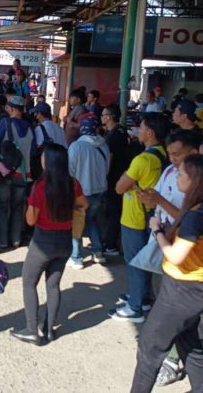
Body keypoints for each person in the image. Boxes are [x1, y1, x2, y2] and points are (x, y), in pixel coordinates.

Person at [130, 154, 203, 393]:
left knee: (149, 348)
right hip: (195, 289)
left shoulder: (194, 217)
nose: (177, 176)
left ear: (194, 181)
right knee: (188, 344)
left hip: (181, 292)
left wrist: (157, 232)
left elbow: (175, 256)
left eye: (181, 174)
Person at [135, 130, 203, 386]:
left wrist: (160, 200)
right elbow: (163, 204)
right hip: (163, 247)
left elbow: (190, 220)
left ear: (194, 153)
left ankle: (170, 360)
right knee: (173, 316)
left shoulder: (202, 185)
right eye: (171, 154)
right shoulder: (169, 172)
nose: (173, 160)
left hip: (183, 260)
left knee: (171, 320)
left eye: (178, 154)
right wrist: (151, 200)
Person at [9, 143, 88, 345]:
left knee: (29, 282)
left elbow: (30, 220)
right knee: (53, 285)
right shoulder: (73, 183)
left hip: (43, 241)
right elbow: (84, 204)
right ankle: (49, 329)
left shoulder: (40, 187)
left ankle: (31, 329)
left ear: (48, 162)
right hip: (65, 240)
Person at [110, 113, 170, 323]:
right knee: (144, 260)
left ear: (150, 133)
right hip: (151, 215)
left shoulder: (142, 159)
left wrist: (127, 176)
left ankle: (135, 306)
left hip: (134, 216)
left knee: (134, 261)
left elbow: (119, 187)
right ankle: (142, 297)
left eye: (141, 127)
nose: (138, 130)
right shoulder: (163, 154)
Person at [0, 95, 35, 249]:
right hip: (25, 174)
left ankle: (3, 240)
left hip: (6, 173)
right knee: (18, 207)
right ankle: (16, 239)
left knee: (3, 207)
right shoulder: (31, 127)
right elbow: (34, 150)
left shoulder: (5, 123)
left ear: (9, 108)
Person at [67, 114, 109, 268]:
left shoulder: (76, 146)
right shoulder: (104, 145)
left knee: (77, 223)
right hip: (99, 191)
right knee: (92, 220)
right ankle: (98, 252)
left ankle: (76, 257)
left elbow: (69, 171)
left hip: (80, 192)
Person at [101, 104, 129, 256]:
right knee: (116, 210)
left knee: (113, 212)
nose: (102, 117)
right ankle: (115, 241)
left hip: (113, 178)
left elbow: (109, 160)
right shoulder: (122, 130)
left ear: (110, 117)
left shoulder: (112, 136)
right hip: (121, 175)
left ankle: (111, 244)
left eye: (104, 114)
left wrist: (103, 176)